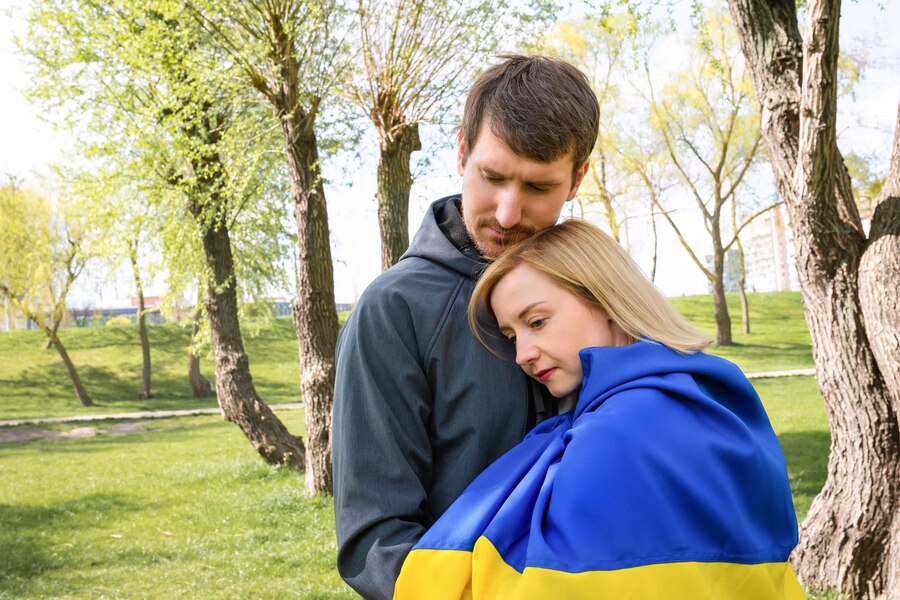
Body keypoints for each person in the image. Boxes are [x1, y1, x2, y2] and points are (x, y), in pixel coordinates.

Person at [394, 219, 804, 599]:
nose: (522, 354)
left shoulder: (618, 434)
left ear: (605, 299)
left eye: (536, 322)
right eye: (511, 335)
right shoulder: (706, 396)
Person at [332, 55, 600, 599]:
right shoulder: (393, 310)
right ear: (460, 152)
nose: (507, 213)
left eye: (537, 187)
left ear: (577, 179)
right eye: (492, 177)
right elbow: (376, 544)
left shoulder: (597, 291)